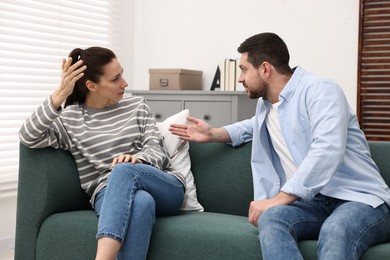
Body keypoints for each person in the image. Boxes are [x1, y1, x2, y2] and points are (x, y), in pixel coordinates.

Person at [169, 32, 390, 259]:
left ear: (265, 69)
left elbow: (327, 149)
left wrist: (279, 199)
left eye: (244, 69)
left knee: (336, 230)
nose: (240, 78)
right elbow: (252, 126)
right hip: (313, 204)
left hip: (359, 200)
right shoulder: (268, 106)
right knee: (272, 219)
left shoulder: (321, 90)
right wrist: (214, 133)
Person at [19, 47, 185, 260]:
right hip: (106, 192)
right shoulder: (71, 119)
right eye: (115, 79)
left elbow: (157, 150)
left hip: (163, 186)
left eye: (122, 74)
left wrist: (139, 159)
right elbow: (28, 135)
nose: (124, 83)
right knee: (142, 202)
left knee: (125, 170)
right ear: (91, 85)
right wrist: (60, 94)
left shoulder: (137, 106)